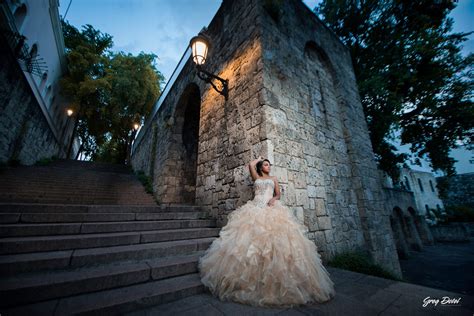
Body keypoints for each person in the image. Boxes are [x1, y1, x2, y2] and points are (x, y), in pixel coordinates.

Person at [198, 156, 336, 308]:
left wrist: (274, 199)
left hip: (270, 208)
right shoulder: (256, 176)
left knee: (275, 243)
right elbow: (250, 164)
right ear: (261, 167)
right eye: (265, 164)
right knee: (249, 243)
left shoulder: (274, 178)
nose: (268, 166)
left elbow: (278, 194)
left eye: (269, 165)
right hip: (255, 208)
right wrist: (259, 158)